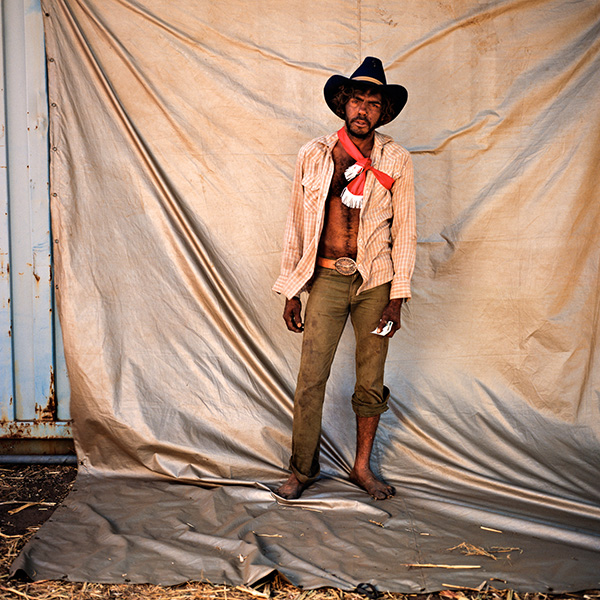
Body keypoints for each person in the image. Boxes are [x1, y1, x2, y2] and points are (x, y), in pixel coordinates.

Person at [272, 57, 416, 500]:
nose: (363, 109)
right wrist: (293, 289)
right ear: (343, 103)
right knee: (310, 377)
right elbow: (297, 225)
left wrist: (397, 297)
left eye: (374, 103)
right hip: (328, 279)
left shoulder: (397, 159)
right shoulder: (314, 155)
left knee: (370, 379)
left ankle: (361, 469)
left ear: (382, 112)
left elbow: (407, 230)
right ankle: (301, 470)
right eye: (357, 99)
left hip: (376, 281)